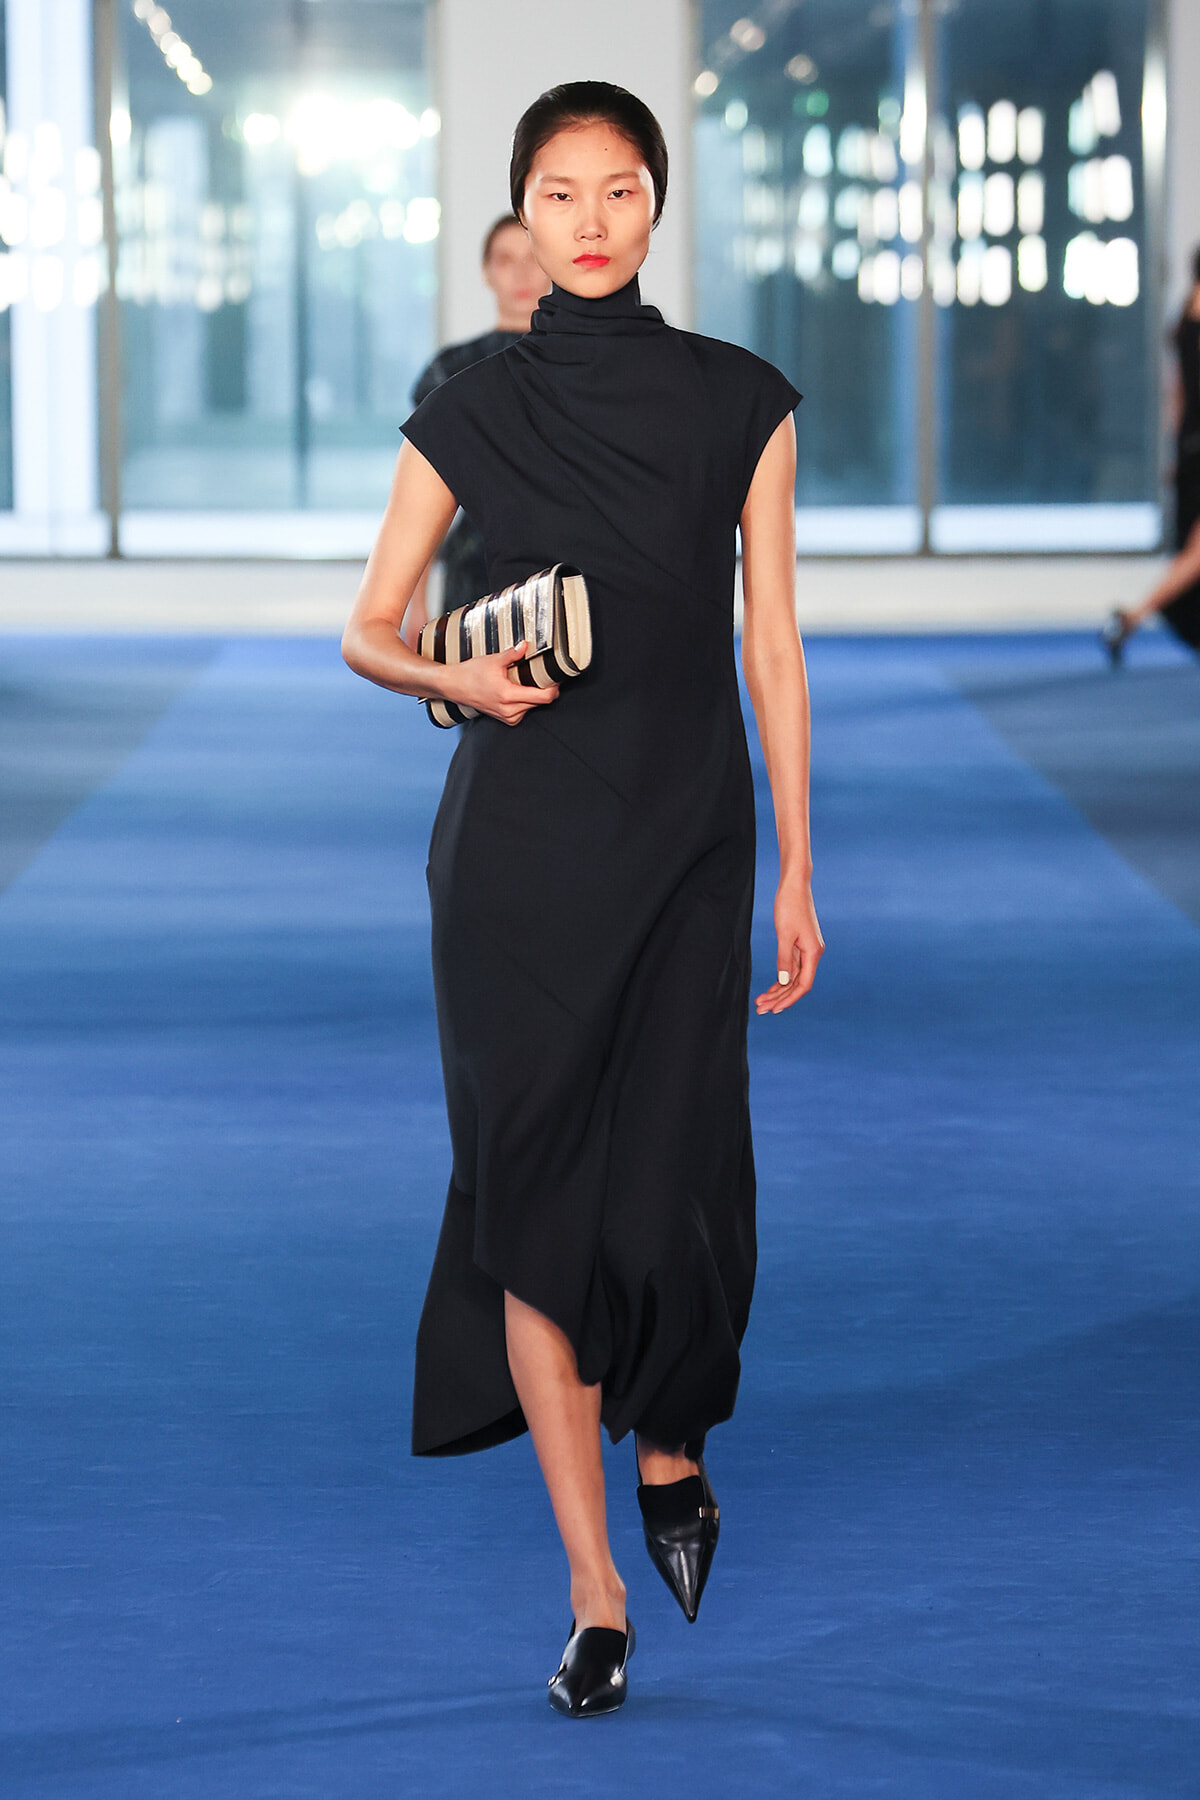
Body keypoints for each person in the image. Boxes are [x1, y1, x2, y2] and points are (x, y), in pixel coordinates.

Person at [342, 81, 823, 1718]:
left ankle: (672, 1440)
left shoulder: (744, 400)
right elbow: (369, 626)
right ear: (522, 216)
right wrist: (458, 683)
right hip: (517, 857)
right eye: (561, 192)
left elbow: (772, 644)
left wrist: (800, 861)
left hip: (688, 842)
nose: (593, 219)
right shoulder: (469, 406)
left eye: (619, 188)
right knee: (534, 1206)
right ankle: (593, 1590)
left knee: (676, 1182)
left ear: (656, 204)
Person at [401, 215, 549, 645]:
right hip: (474, 574)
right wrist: (415, 601)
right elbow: (422, 497)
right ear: (487, 272)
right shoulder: (451, 371)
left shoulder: (588, 364)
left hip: (568, 573)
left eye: (532, 258)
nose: (521, 274)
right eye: (505, 260)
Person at [1102, 246, 1200, 662]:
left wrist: (1177, 451)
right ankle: (1132, 617)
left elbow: (1175, 397)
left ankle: (1132, 618)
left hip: (1190, 444)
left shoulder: (1183, 319)